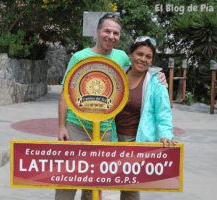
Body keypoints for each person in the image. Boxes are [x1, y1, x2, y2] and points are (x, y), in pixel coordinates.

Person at [56, 14, 167, 200]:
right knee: (68, 180)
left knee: (94, 184)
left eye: (115, 33)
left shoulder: (122, 57)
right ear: (98, 32)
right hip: (76, 126)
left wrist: (158, 75)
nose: (111, 36)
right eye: (107, 31)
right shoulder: (80, 56)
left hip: (106, 130)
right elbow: (65, 94)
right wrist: (61, 126)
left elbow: (139, 67)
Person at [111, 36, 178, 200]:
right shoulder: (117, 74)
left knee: (129, 187)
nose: (143, 59)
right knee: (104, 181)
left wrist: (166, 134)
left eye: (148, 57)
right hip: (110, 137)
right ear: (131, 53)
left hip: (136, 140)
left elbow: (163, 112)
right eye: (139, 54)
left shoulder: (156, 81)